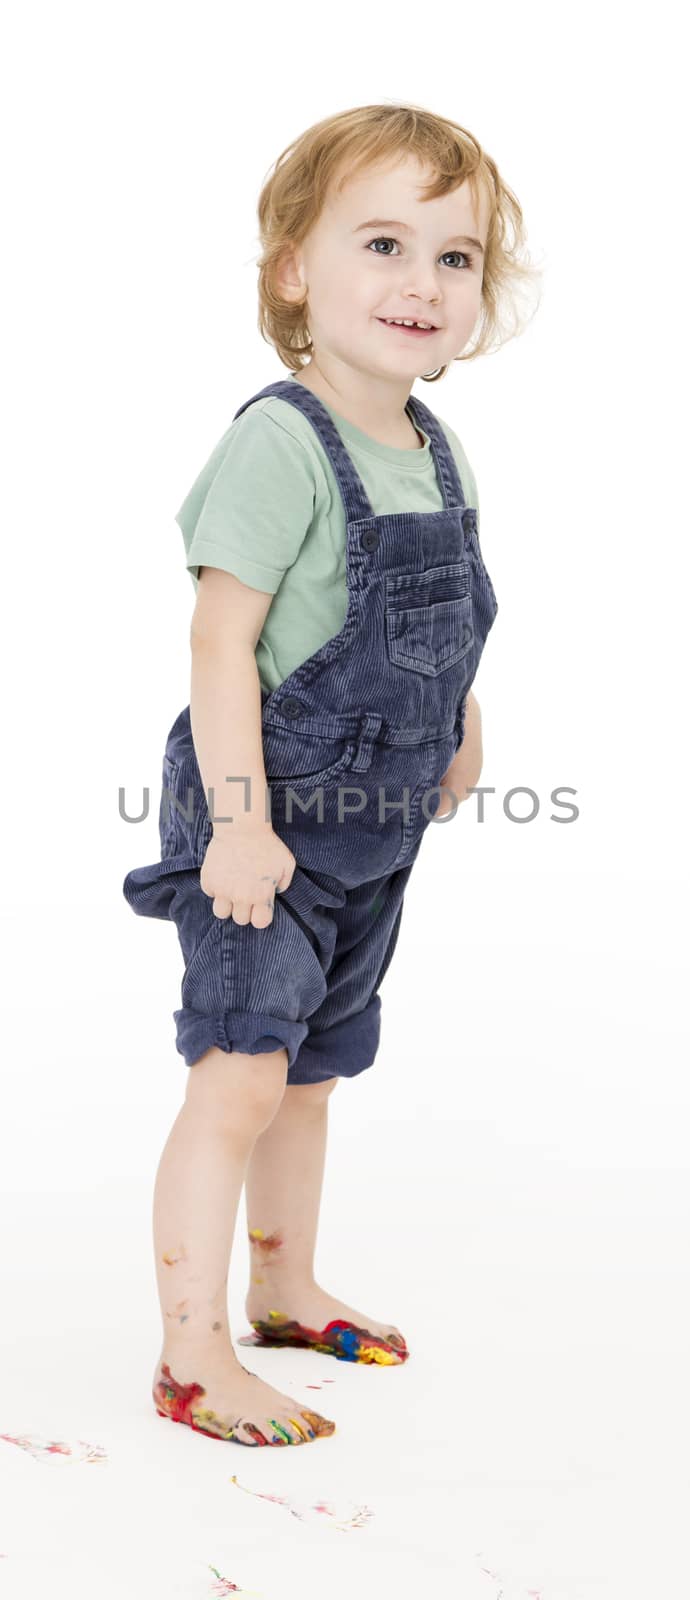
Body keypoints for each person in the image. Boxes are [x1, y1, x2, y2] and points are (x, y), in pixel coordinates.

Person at [122, 101, 540, 1449]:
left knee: (308, 1072)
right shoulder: (278, 442)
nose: (421, 283)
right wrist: (238, 825)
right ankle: (189, 1357)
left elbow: (439, 620)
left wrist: (459, 719)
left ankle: (284, 1287)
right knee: (239, 1072)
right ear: (294, 267)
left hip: (368, 832)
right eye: (382, 243)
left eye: (456, 257)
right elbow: (222, 640)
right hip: (264, 822)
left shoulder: (434, 448)